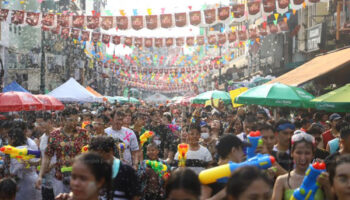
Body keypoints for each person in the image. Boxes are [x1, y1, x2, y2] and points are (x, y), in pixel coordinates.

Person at [36, 107, 90, 194]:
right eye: (71, 120)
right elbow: (47, 156)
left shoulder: (83, 133)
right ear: (63, 119)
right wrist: (40, 176)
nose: (74, 123)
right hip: (59, 176)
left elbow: (89, 152)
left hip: (80, 176)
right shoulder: (54, 135)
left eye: (77, 119)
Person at [272, 131, 332, 200]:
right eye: (299, 153)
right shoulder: (281, 181)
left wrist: (327, 185)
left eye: (307, 153)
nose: (303, 158)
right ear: (292, 153)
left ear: (313, 155)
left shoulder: (321, 178)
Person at [201, 134, 249, 199]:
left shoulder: (241, 172)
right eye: (242, 149)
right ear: (233, 150)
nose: (244, 153)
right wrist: (228, 190)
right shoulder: (212, 174)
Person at [8, 128, 42, 200]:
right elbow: (40, 161)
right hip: (34, 179)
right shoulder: (29, 149)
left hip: (24, 184)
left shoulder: (16, 152)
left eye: (8, 138)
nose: (8, 140)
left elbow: (13, 173)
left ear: (13, 139)